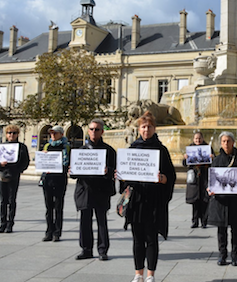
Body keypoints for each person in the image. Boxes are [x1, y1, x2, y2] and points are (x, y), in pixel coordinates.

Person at [120, 111, 176, 282]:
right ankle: (138, 274)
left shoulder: (161, 150)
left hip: (154, 201)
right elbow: (125, 179)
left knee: (151, 239)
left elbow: (170, 176)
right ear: (139, 129)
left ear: (154, 128)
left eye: (149, 127)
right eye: (143, 127)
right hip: (136, 201)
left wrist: (163, 179)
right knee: (137, 239)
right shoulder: (133, 149)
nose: (146, 130)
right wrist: (121, 175)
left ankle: (150, 274)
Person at [207, 131, 237, 267]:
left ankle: (235, 255)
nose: (226, 144)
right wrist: (209, 189)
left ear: (233, 142)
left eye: (228, 141)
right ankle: (222, 255)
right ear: (220, 143)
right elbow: (209, 181)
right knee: (221, 230)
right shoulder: (216, 160)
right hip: (221, 201)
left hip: (236, 201)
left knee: (236, 229)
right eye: (223, 141)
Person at [73, 119, 117, 260]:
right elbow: (74, 174)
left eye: (97, 129)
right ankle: (86, 249)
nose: (93, 132)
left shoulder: (109, 151)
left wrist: (107, 170)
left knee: (101, 221)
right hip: (84, 190)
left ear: (102, 131)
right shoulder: (80, 151)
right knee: (85, 220)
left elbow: (116, 170)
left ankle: (103, 250)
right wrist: (72, 170)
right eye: (91, 129)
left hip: (101, 190)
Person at [0, 124, 30, 233]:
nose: (11, 135)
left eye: (14, 133)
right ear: (6, 134)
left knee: (12, 200)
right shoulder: (1, 146)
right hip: (2, 175)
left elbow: (25, 161)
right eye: (9, 133)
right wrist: (0, 164)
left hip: (14, 176)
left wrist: (19, 170)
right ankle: (2, 223)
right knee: (3, 201)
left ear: (17, 134)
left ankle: (10, 223)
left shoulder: (22, 147)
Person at [41, 125, 70, 242]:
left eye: (55, 133)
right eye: (51, 133)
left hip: (59, 179)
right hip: (47, 179)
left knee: (58, 206)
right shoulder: (47, 146)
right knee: (48, 207)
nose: (53, 135)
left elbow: (67, 162)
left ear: (61, 134)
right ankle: (49, 231)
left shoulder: (66, 147)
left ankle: (57, 232)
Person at [182, 131, 213, 228]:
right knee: (195, 201)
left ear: (203, 138)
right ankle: (194, 221)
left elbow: (214, 164)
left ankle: (204, 221)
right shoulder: (190, 148)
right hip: (194, 178)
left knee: (205, 200)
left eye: (199, 138)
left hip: (204, 177)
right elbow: (184, 164)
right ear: (193, 139)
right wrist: (185, 158)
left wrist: (212, 158)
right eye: (196, 139)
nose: (198, 140)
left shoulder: (208, 148)